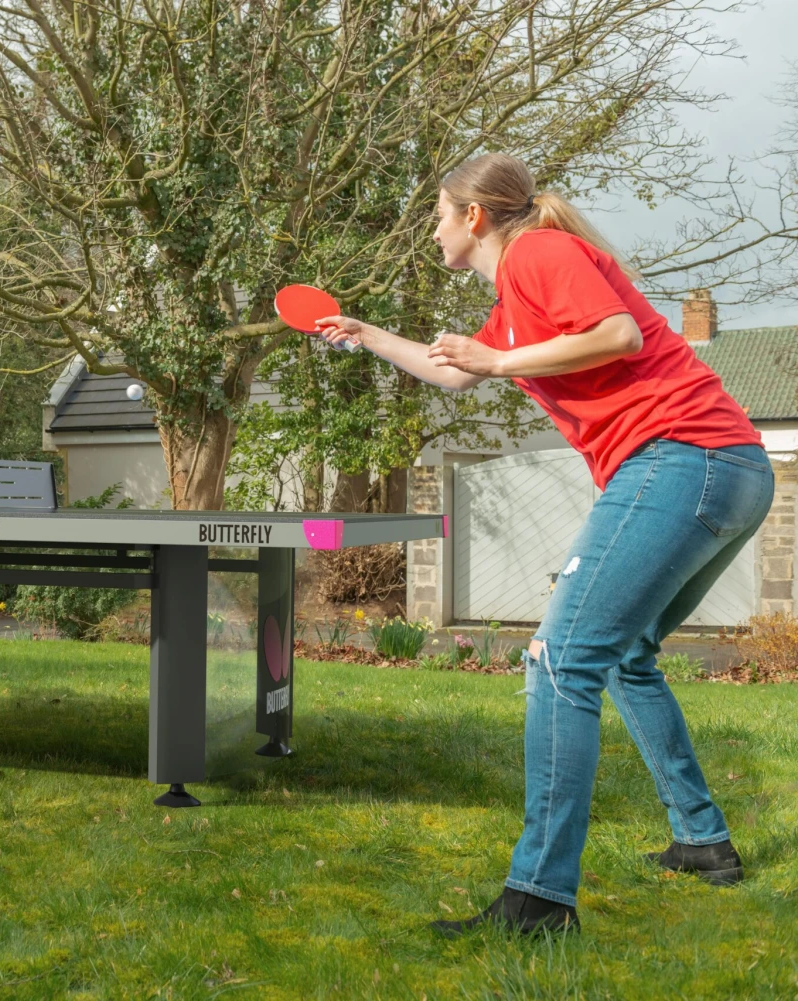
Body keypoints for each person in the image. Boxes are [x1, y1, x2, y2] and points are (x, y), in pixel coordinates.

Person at [316, 153, 775, 936]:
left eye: (437, 214)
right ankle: (702, 841)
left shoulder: (539, 254)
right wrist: (365, 333)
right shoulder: (511, 299)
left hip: (681, 457)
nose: (431, 231)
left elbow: (618, 333)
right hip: (727, 467)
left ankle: (538, 899)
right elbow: (454, 370)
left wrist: (498, 359)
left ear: (475, 217)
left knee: (560, 659)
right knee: (623, 656)